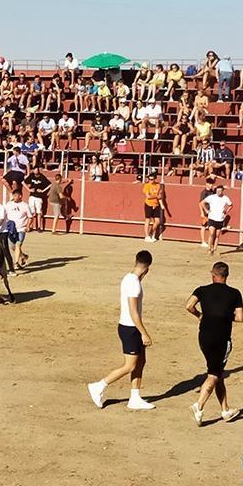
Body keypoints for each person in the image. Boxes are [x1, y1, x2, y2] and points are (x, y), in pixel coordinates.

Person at [87, 250, 156, 411]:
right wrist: (144, 332)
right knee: (130, 365)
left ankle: (135, 397)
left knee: (140, 362)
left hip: (131, 327)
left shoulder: (128, 278)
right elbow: (134, 312)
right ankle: (99, 386)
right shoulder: (134, 283)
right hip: (130, 328)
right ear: (147, 268)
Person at [185, 262, 243, 425]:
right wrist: (226, 316)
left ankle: (225, 410)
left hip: (203, 337)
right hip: (221, 339)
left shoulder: (202, 290)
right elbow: (240, 317)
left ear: (213, 275)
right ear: (227, 275)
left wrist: (200, 315)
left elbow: (189, 305)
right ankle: (199, 405)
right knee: (214, 374)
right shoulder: (234, 293)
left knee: (217, 372)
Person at [200, 185, 233, 255]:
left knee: (217, 235)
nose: (218, 192)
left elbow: (231, 205)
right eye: (217, 191)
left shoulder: (225, 198)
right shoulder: (212, 197)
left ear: (223, 191)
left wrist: (226, 211)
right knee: (212, 234)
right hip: (212, 218)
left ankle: (214, 249)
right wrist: (206, 210)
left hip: (220, 219)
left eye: (220, 191)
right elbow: (202, 202)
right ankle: (209, 249)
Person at [4, 189, 30, 269]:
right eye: (13, 195)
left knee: (18, 245)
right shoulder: (8, 205)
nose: (14, 197)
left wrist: (28, 226)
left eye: (15, 195)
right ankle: (23, 256)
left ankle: (15, 263)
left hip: (21, 229)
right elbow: (4, 215)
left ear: (20, 196)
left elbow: (30, 217)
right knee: (12, 247)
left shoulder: (25, 205)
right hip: (11, 229)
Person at [25, 167, 51, 232]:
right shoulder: (31, 175)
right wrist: (28, 189)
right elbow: (23, 182)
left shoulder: (42, 177)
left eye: (36, 169)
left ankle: (39, 227)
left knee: (39, 212)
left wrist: (43, 191)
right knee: (32, 212)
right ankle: (30, 226)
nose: (35, 171)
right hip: (32, 196)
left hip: (39, 196)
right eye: (34, 169)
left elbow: (50, 184)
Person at [142, 173, 162, 242]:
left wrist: (161, 204)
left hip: (156, 205)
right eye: (149, 179)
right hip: (148, 204)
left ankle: (151, 234)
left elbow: (160, 195)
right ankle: (147, 236)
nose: (150, 180)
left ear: (154, 179)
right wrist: (156, 196)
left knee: (157, 221)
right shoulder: (147, 186)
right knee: (147, 220)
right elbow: (148, 196)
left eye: (152, 179)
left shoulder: (158, 185)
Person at [197, 177, 216, 247]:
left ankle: (209, 241)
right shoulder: (204, 192)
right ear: (206, 184)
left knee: (211, 225)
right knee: (204, 225)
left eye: (212, 184)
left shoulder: (212, 191)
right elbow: (200, 203)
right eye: (210, 184)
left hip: (211, 211)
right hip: (206, 211)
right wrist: (202, 212)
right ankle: (203, 241)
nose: (211, 185)